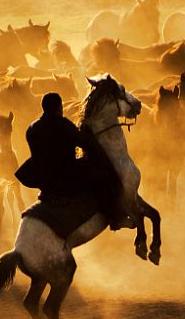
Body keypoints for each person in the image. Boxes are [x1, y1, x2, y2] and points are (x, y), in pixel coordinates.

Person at [15, 92, 126, 229]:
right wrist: (89, 135)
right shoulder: (63, 125)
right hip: (66, 176)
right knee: (104, 177)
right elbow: (84, 143)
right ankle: (114, 217)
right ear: (59, 108)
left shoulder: (32, 128)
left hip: (43, 179)